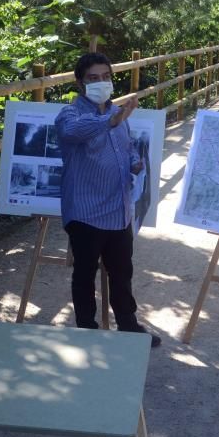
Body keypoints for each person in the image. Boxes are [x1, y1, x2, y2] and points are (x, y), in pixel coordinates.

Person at [54, 53, 161, 347]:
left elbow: (125, 150)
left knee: (122, 272)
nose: (101, 82)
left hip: (119, 210)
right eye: (93, 78)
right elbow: (71, 132)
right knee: (85, 273)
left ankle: (128, 326)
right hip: (86, 212)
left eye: (106, 76)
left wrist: (134, 163)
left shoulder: (118, 114)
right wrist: (110, 120)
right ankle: (86, 331)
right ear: (79, 82)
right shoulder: (70, 114)